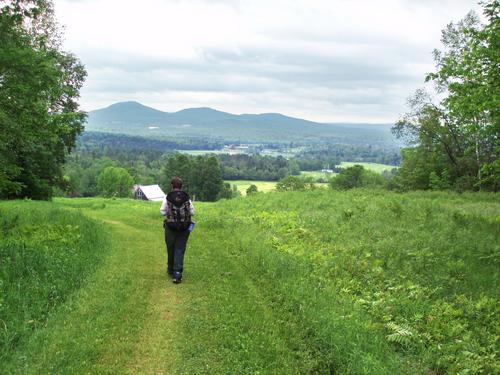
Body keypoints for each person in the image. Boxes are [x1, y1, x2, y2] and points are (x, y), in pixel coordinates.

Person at [160, 177, 195, 284]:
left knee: (170, 247)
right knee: (180, 248)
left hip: (170, 226)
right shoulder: (186, 197)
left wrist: (170, 213)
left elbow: (161, 212)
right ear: (181, 186)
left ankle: (170, 268)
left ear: (172, 186)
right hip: (185, 227)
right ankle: (177, 273)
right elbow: (192, 212)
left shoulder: (167, 197)